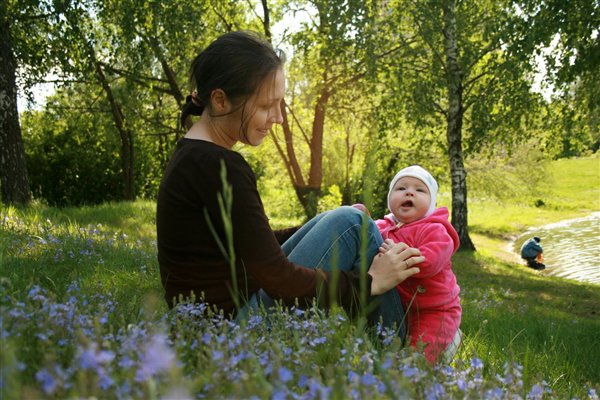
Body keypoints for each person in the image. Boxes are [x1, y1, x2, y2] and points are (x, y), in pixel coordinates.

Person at [156, 31, 423, 334]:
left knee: (347, 222)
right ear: (220, 100)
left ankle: (401, 339)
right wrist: (367, 283)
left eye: (280, 104)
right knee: (352, 224)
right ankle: (406, 348)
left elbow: (253, 244)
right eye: (267, 105)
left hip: (212, 325)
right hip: (230, 335)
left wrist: (321, 225)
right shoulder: (219, 166)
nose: (279, 117)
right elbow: (278, 277)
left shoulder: (194, 156)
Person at [357, 165, 462, 363]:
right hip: (400, 305)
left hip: (434, 309)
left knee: (418, 355)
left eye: (420, 190)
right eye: (401, 188)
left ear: (431, 203)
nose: (409, 192)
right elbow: (366, 241)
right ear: (390, 199)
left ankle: (447, 344)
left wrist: (398, 256)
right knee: (387, 344)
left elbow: (431, 261)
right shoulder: (382, 226)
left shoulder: (435, 230)